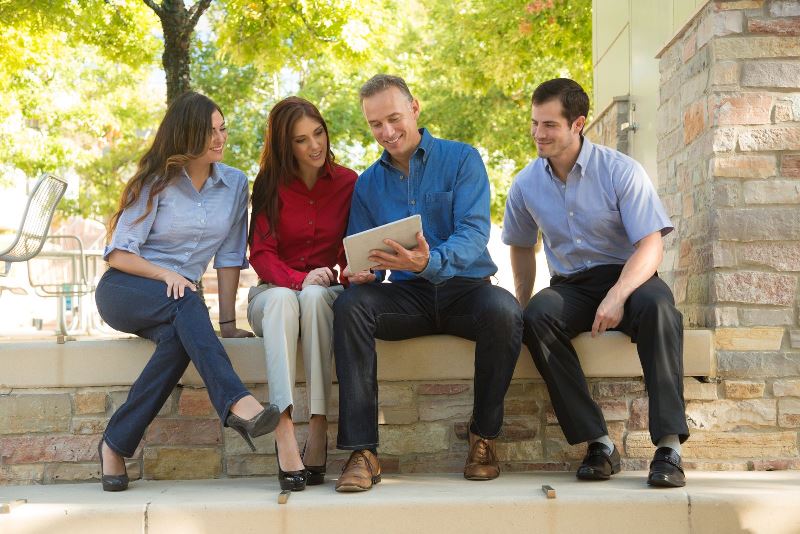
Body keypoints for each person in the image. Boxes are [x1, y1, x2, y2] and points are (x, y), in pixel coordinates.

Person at [332, 74, 523, 493]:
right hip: (408, 298)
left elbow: (473, 235)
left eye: (394, 118)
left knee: (506, 312)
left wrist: (429, 261)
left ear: (415, 107)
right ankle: (363, 452)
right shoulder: (368, 184)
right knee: (350, 306)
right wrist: (362, 273)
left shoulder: (462, 159)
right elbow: (367, 258)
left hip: (465, 290)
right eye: (375, 124)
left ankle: (483, 437)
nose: (387, 132)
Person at [502, 78, 689, 488]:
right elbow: (519, 245)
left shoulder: (620, 170)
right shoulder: (526, 183)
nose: (538, 134)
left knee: (661, 312)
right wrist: (521, 300)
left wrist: (618, 296)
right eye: (534, 123)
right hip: (571, 285)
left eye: (549, 124)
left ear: (578, 123)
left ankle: (670, 448)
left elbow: (651, 245)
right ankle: (599, 443)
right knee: (536, 316)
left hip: (632, 276)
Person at [95, 91, 280, 492]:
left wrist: (228, 324)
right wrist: (165, 275)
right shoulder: (156, 181)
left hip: (179, 303)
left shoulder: (233, 184)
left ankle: (114, 444)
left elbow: (230, 256)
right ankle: (236, 404)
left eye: (222, 128)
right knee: (185, 299)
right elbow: (118, 254)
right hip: (127, 289)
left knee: (180, 339)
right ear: (185, 134)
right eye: (209, 131)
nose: (220, 138)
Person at [247, 96, 357, 491]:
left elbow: (351, 253)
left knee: (311, 299)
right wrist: (298, 279)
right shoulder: (268, 185)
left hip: (322, 294)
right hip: (272, 295)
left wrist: (334, 275)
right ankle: (283, 428)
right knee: (281, 298)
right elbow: (261, 253)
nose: (315, 145)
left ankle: (319, 424)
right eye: (300, 140)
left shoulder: (349, 183)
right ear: (284, 145)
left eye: (318, 133)